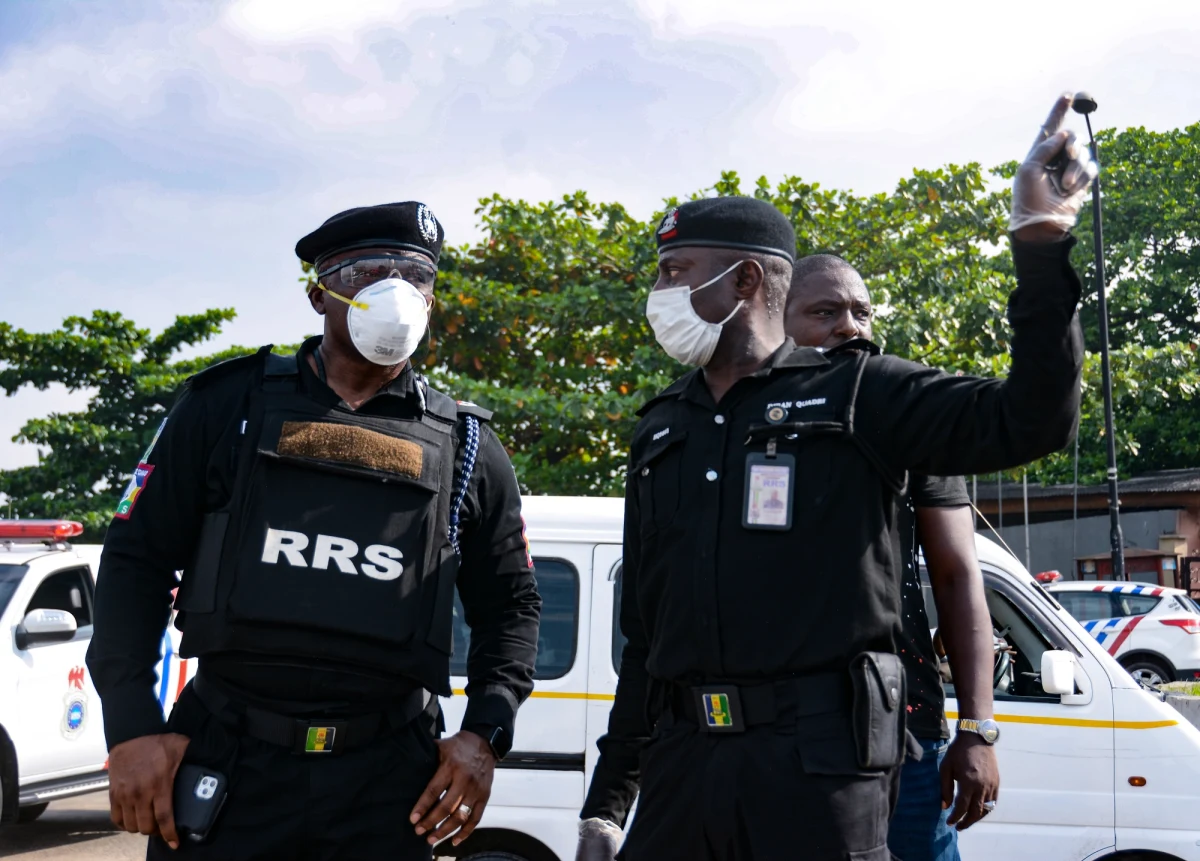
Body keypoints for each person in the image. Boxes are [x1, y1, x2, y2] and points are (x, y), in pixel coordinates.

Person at [577, 95, 1092, 860]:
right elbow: (646, 637)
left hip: (818, 767)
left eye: (676, 271)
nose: (661, 291)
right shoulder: (662, 428)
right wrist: (609, 802)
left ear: (745, 280)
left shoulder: (862, 394)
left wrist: (1040, 240)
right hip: (686, 764)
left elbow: (1032, 418)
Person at [87, 201, 542, 860]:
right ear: (318, 293)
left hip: (388, 780)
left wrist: (485, 733)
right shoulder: (225, 406)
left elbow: (513, 605)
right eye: (367, 271)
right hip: (229, 760)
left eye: (416, 275)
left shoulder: (466, 443)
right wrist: (130, 724)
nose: (396, 290)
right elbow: (135, 562)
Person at [786, 254, 999, 861]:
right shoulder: (745, 425)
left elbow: (959, 578)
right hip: (775, 741)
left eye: (861, 311)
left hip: (904, 735)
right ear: (776, 322)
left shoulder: (910, 427)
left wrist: (977, 730)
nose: (850, 327)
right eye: (824, 312)